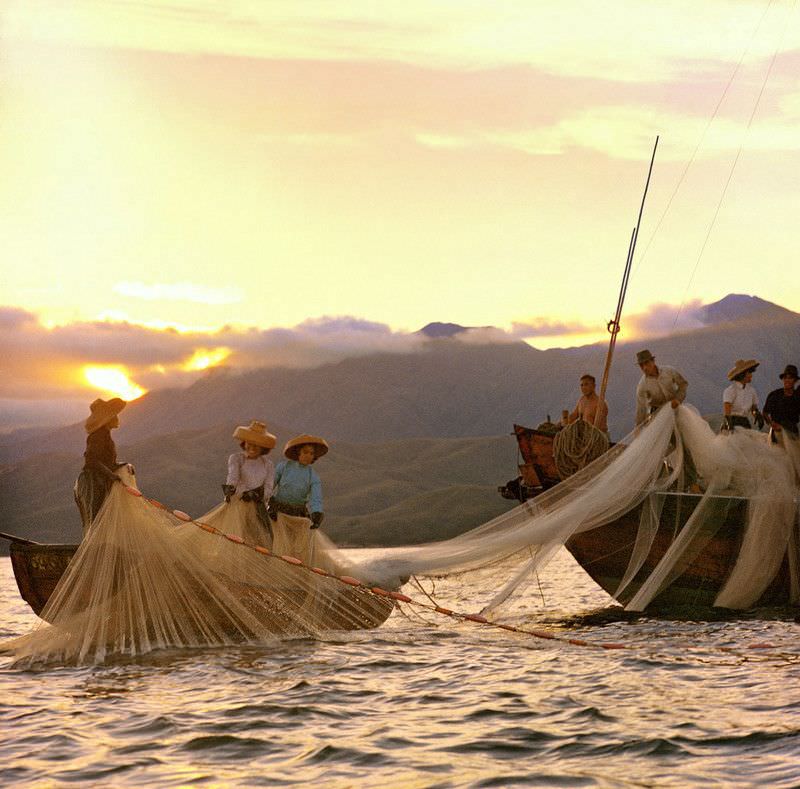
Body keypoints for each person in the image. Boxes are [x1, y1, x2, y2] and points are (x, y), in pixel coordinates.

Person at [267, 434, 328, 563]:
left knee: (296, 548)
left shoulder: (313, 476)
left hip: (298, 515)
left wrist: (317, 512)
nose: (308, 455)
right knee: (275, 544)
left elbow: (316, 497)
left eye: (311, 453)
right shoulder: (283, 467)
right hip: (278, 513)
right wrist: (268, 500)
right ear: (298, 452)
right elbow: (270, 485)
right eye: (305, 452)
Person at [74, 397, 129, 533]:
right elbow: (92, 460)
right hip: (93, 480)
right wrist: (110, 474)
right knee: (97, 515)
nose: (117, 418)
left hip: (101, 478)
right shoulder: (98, 436)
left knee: (104, 515)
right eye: (114, 415)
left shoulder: (105, 435)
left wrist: (119, 466)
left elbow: (106, 461)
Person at [222, 420, 277, 535]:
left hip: (258, 507)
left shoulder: (268, 464)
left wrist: (259, 496)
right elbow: (233, 478)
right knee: (236, 535)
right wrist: (233, 491)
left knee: (259, 538)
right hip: (239, 504)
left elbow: (269, 486)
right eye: (249, 443)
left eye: (257, 444)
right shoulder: (236, 458)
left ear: (263, 447)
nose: (252, 447)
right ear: (244, 443)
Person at [634, 349, 688, 425]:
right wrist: (638, 428)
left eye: (646, 363)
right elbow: (641, 409)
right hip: (658, 418)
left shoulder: (669, 371)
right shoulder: (642, 385)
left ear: (653, 361)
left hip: (676, 409)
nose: (644, 367)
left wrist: (678, 399)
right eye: (641, 365)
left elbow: (683, 384)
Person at [722, 358, 764, 431]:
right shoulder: (731, 390)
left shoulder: (751, 391)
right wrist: (728, 422)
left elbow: (753, 408)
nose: (751, 375)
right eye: (749, 373)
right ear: (742, 374)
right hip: (732, 422)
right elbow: (727, 409)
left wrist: (757, 415)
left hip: (745, 422)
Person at [763, 364, 800, 438]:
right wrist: (772, 424)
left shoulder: (798, 397)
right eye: (785, 378)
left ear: (795, 381)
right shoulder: (774, 395)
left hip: (793, 433)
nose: (787, 380)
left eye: (790, 378)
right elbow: (765, 413)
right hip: (776, 434)